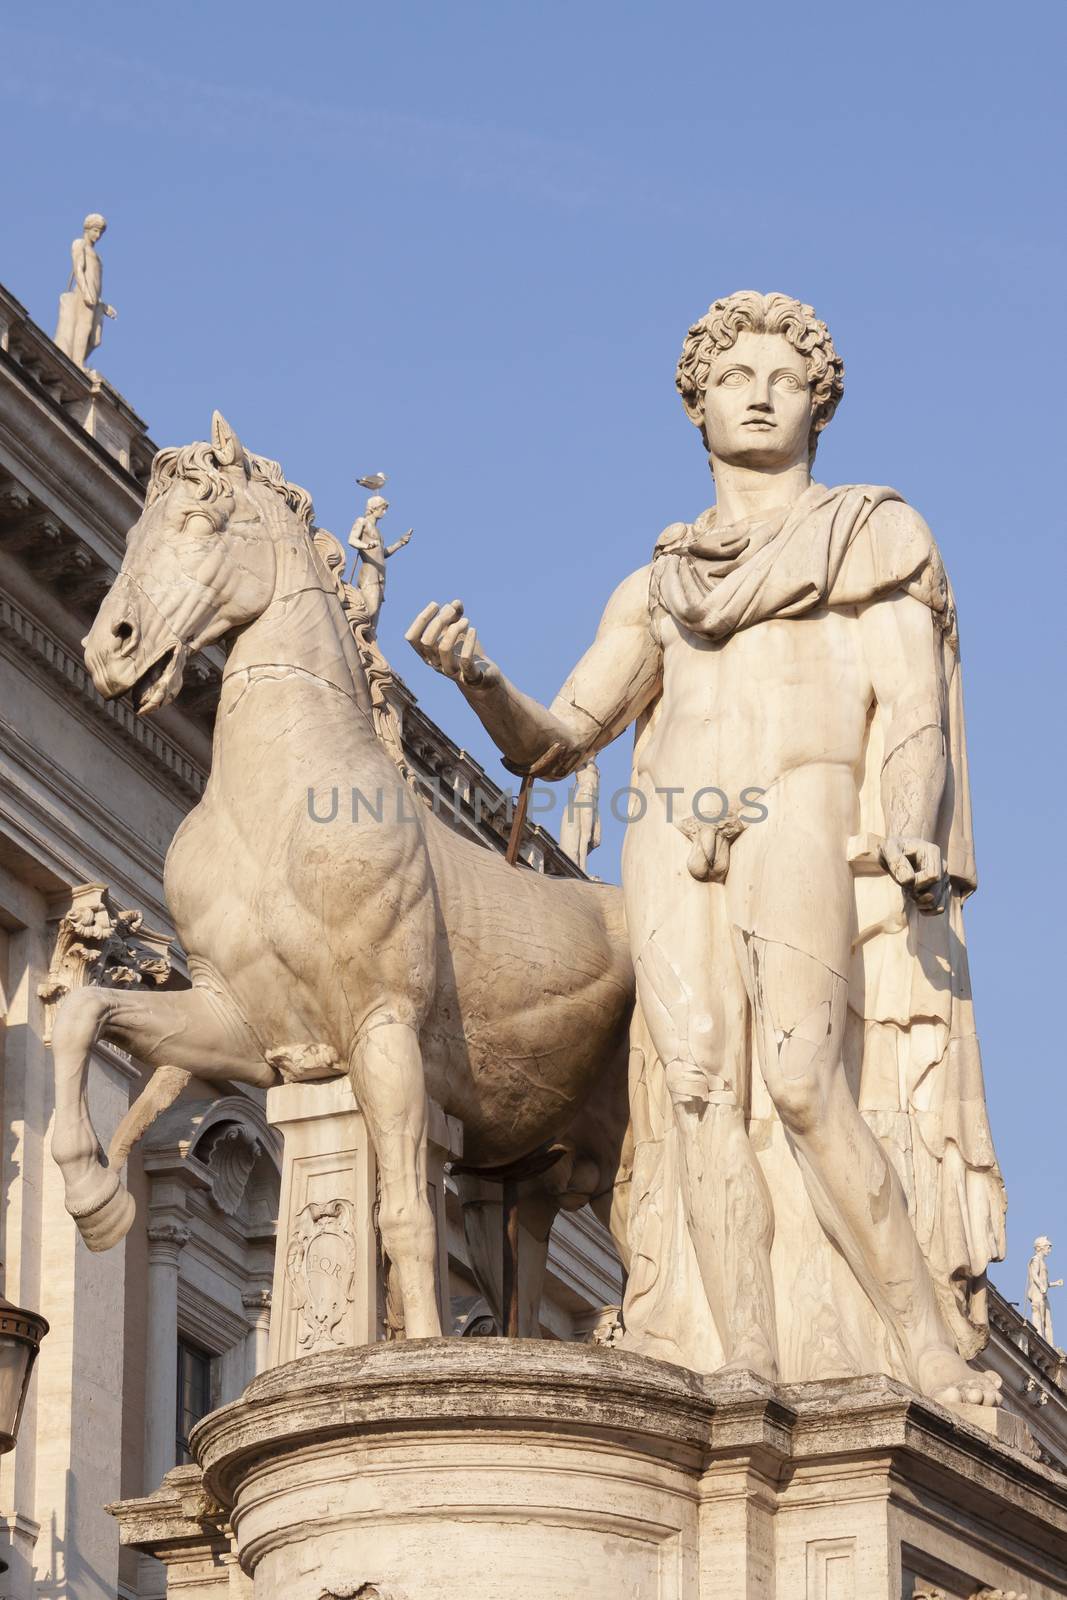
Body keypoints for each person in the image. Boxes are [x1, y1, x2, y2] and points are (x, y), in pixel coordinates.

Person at [407, 291, 1005, 1407]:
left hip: (802, 817)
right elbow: (560, 738)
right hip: (671, 839)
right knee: (692, 1095)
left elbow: (914, 712)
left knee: (797, 1081)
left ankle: (917, 1337)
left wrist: (913, 821)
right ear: (696, 408)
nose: (760, 393)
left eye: (784, 377)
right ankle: (738, 1364)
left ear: (817, 403)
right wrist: (479, 677)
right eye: (736, 378)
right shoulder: (658, 585)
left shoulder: (869, 537)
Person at [54, 214, 117, 370]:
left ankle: (79, 359)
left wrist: (103, 305)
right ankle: (77, 363)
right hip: (84, 294)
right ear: (87, 228)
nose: (98, 236)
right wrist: (86, 292)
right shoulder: (79, 244)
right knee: (84, 327)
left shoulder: (98, 256)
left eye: (100, 233)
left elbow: (95, 280)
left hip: (95, 298)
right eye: (95, 231)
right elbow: (78, 269)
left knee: (96, 339)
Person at [347, 494, 412, 636]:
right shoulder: (362, 521)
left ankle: (366, 642)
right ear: (374, 508)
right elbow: (351, 539)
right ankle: (351, 630)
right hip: (369, 571)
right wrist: (366, 545)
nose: (384, 512)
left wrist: (400, 543)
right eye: (383, 508)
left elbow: (382, 553)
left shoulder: (379, 533)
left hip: (381, 574)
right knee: (369, 609)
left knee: (374, 620)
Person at [1026, 1237, 1063, 1345]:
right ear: (1041, 1247)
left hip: (1042, 1293)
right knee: (1039, 1317)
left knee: (1048, 1322)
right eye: (1048, 1247)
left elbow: (1044, 1281)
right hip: (1037, 1293)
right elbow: (1034, 1274)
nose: (1049, 1250)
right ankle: (1039, 1340)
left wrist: (1055, 1283)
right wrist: (1041, 1286)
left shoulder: (1042, 1261)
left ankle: (1050, 1346)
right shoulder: (1036, 1260)